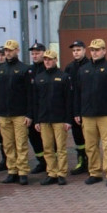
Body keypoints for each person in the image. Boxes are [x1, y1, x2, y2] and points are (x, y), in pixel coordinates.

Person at [73, 38, 107, 187]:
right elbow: (77, 93)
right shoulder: (83, 70)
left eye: (97, 50)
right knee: (90, 146)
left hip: (106, 114)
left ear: (104, 51)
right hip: (87, 115)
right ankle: (94, 172)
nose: (94, 53)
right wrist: (77, 112)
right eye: (92, 50)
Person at [32, 49, 73, 185]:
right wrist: (37, 120)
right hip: (44, 119)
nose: (47, 62)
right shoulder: (39, 78)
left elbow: (68, 100)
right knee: (47, 148)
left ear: (56, 60)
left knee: (61, 148)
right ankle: (52, 173)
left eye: (50, 59)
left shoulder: (64, 77)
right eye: (45, 59)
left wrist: (68, 120)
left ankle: (61, 173)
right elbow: (36, 101)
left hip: (59, 119)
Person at [0, 40, 33, 185]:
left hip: (20, 114)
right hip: (4, 114)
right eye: (6, 50)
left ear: (17, 50)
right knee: (8, 144)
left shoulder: (25, 69)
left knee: (21, 144)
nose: (8, 53)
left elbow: (30, 94)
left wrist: (29, 114)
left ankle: (23, 172)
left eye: (11, 50)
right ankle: (12, 171)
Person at [64, 40, 90, 175]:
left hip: (88, 107)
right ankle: (81, 161)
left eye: (78, 50)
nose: (76, 53)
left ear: (84, 50)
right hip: (74, 108)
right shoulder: (69, 68)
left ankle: (92, 162)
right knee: (78, 137)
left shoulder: (90, 65)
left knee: (90, 138)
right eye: (74, 51)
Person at [27, 41, 48, 174]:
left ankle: (51, 163)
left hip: (46, 110)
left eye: (37, 53)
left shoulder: (48, 68)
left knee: (48, 138)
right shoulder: (28, 70)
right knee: (34, 138)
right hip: (32, 110)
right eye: (33, 54)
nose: (35, 56)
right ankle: (41, 161)